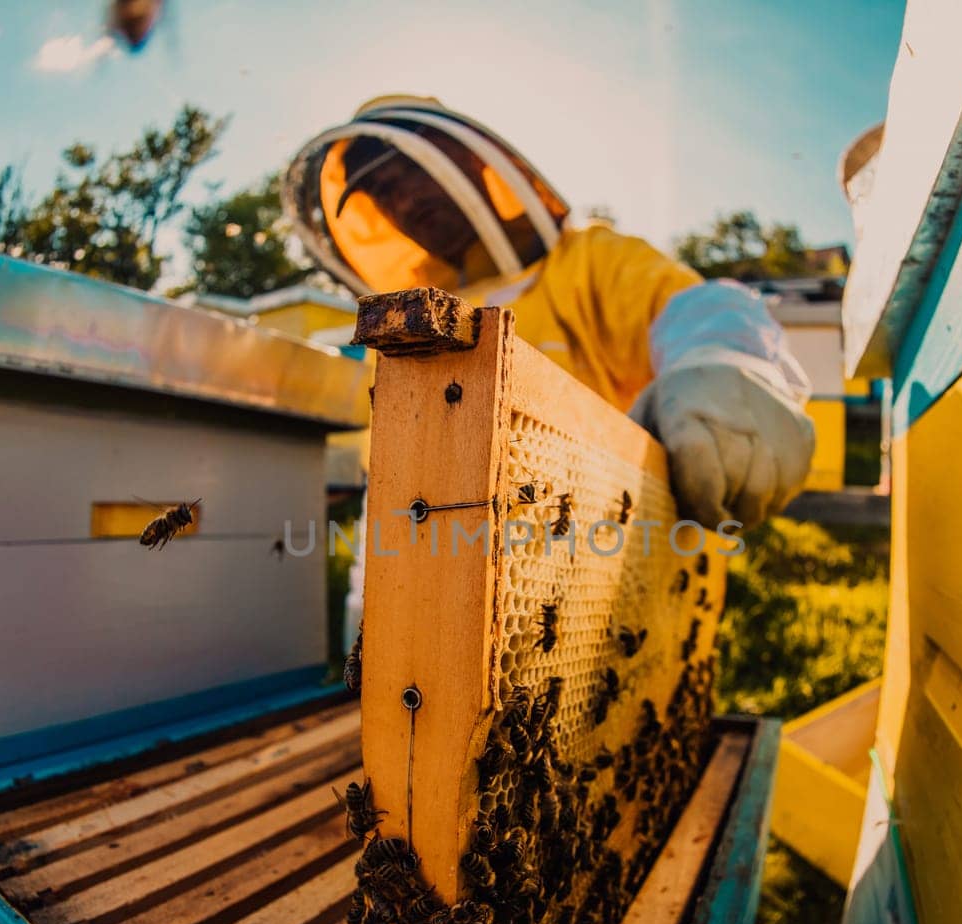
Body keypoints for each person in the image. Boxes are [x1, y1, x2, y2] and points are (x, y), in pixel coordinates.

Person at [282, 96, 816, 642]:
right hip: (440, 596)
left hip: (598, 583)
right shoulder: (408, 320)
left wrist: (724, 361)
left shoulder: (588, 261)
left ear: (468, 160)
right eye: (383, 192)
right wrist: (366, 604)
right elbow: (393, 477)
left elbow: (695, 309)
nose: (403, 197)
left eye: (410, 171)